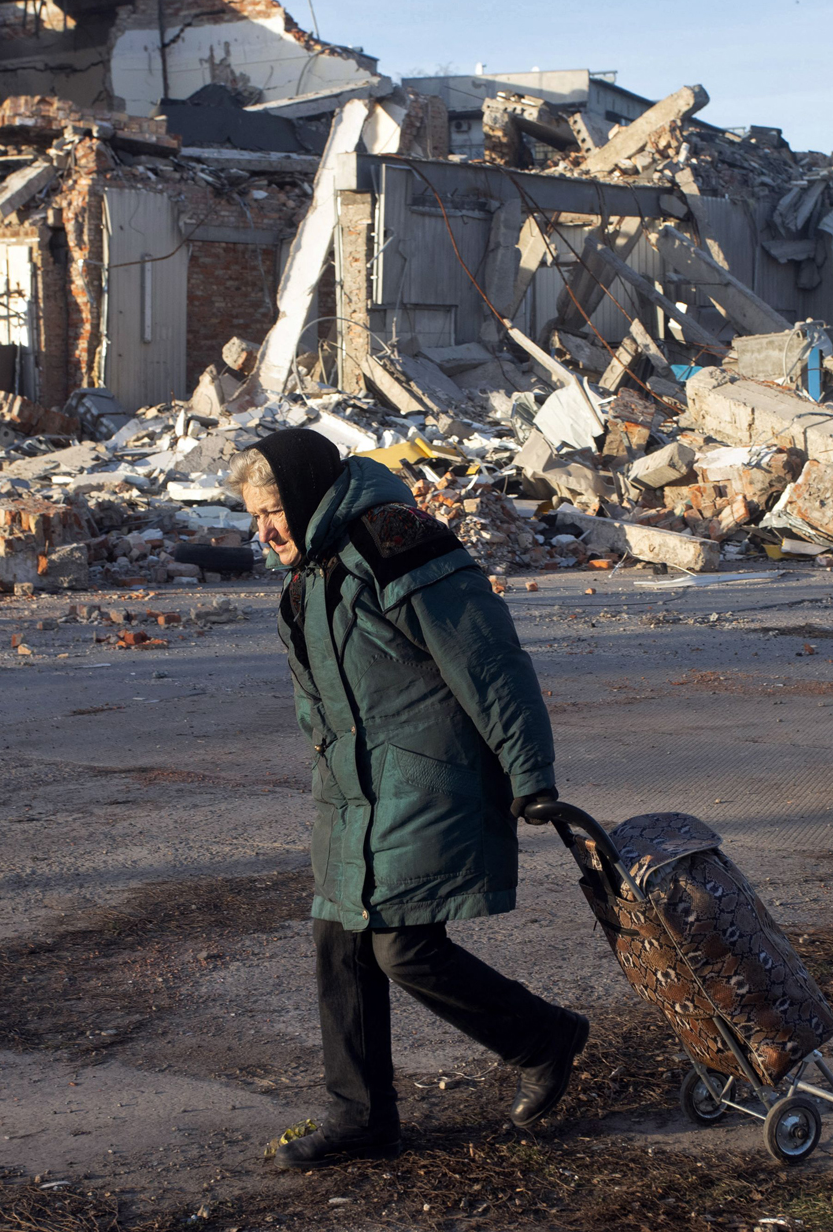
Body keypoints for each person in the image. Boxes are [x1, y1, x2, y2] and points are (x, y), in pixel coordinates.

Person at [229, 428, 587, 1170]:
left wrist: (531, 775)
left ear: (302, 495)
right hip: (354, 791)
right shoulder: (311, 570)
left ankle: (543, 1038)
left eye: (272, 511)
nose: (263, 531)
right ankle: (361, 1117)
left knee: (403, 946)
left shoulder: (396, 542)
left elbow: (487, 658)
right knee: (341, 941)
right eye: (253, 516)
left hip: (431, 775)